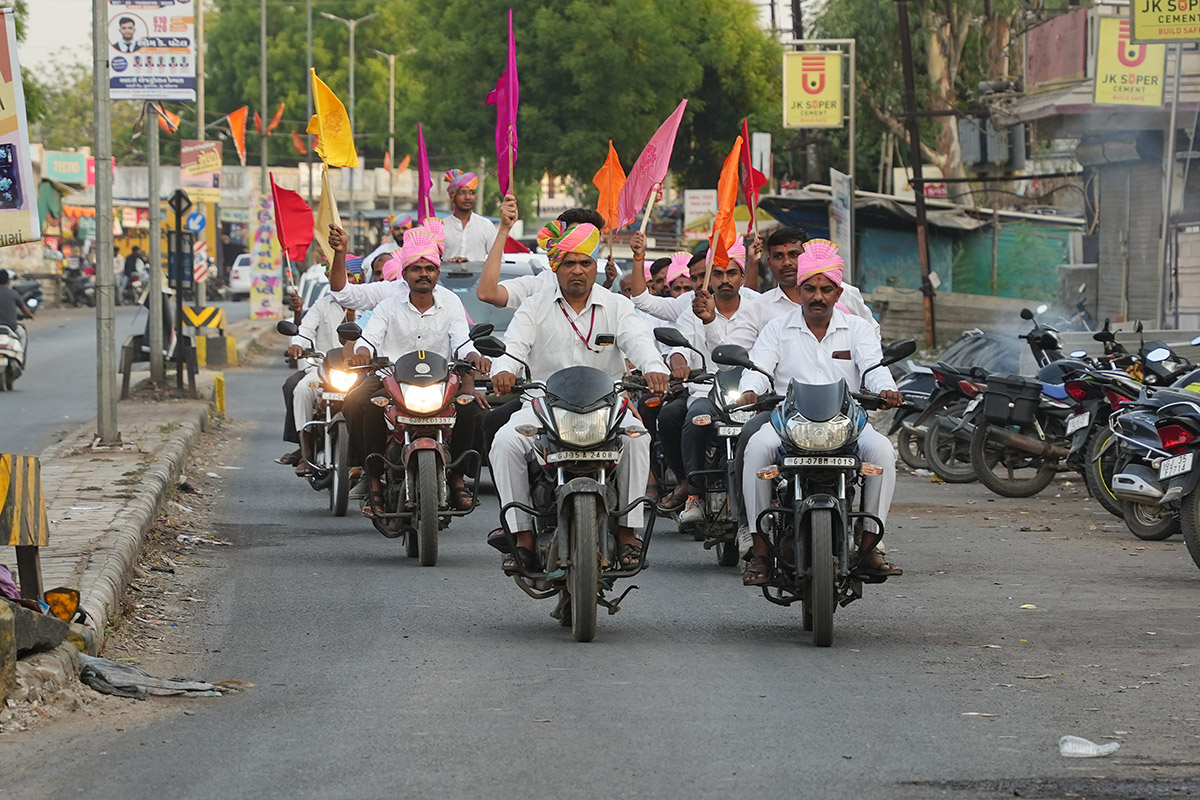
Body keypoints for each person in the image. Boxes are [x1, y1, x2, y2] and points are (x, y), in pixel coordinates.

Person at [488, 219, 669, 574]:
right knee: (504, 441)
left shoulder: (617, 305)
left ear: (595, 266)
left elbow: (639, 341)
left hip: (608, 406)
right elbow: (513, 347)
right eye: (569, 263)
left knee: (638, 437)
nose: (577, 270)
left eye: (585, 263)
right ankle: (522, 537)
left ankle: (628, 532)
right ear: (556, 267)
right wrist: (503, 370)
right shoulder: (534, 307)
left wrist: (654, 368)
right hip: (543, 405)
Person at [738, 240, 903, 585]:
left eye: (826, 290)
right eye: (810, 289)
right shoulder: (777, 328)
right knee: (756, 448)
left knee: (883, 452)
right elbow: (759, 367)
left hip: (848, 423)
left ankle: (870, 546)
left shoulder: (857, 329)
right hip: (787, 422)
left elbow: (874, 368)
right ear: (799, 290)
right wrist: (750, 389)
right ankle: (760, 552)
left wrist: (885, 390)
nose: (817, 297)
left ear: (838, 293)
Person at [341, 229, 489, 518]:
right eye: (417, 269)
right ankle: (373, 479)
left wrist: (473, 357)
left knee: (473, 410)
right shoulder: (387, 306)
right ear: (405, 274)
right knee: (357, 403)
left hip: (440, 382)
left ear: (437, 273)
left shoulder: (451, 303)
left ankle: (458, 478)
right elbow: (368, 338)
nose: (424, 274)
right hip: (391, 379)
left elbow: (462, 341)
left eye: (429, 268)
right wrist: (363, 351)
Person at [664, 239, 758, 525]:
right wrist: (679, 365)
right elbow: (677, 349)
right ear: (710, 277)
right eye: (718, 273)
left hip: (749, 393)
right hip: (705, 391)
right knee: (693, 420)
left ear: (742, 277)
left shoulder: (758, 310)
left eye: (731, 273)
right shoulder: (692, 312)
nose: (725, 279)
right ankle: (694, 494)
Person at [279, 290, 354, 474]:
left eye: (352, 277)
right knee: (301, 390)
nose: (348, 282)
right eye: (342, 278)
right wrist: (298, 344)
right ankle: (306, 451)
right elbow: (305, 330)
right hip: (322, 368)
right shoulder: (322, 305)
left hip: (359, 371)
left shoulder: (369, 304)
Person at [441, 169, 496, 262]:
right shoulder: (441, 227)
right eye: (462, 193)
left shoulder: (486, 225)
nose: (467, 197)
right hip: (447, 272)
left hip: (479, 272)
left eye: (471, 193)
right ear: (453, 196)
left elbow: (497, 260)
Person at [0, 269, 33, 355]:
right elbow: (25, 309)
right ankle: (20, 355)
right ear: (8, 281)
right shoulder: (14, 293)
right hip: (11, 328)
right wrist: (30, 315)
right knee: (22, 334)